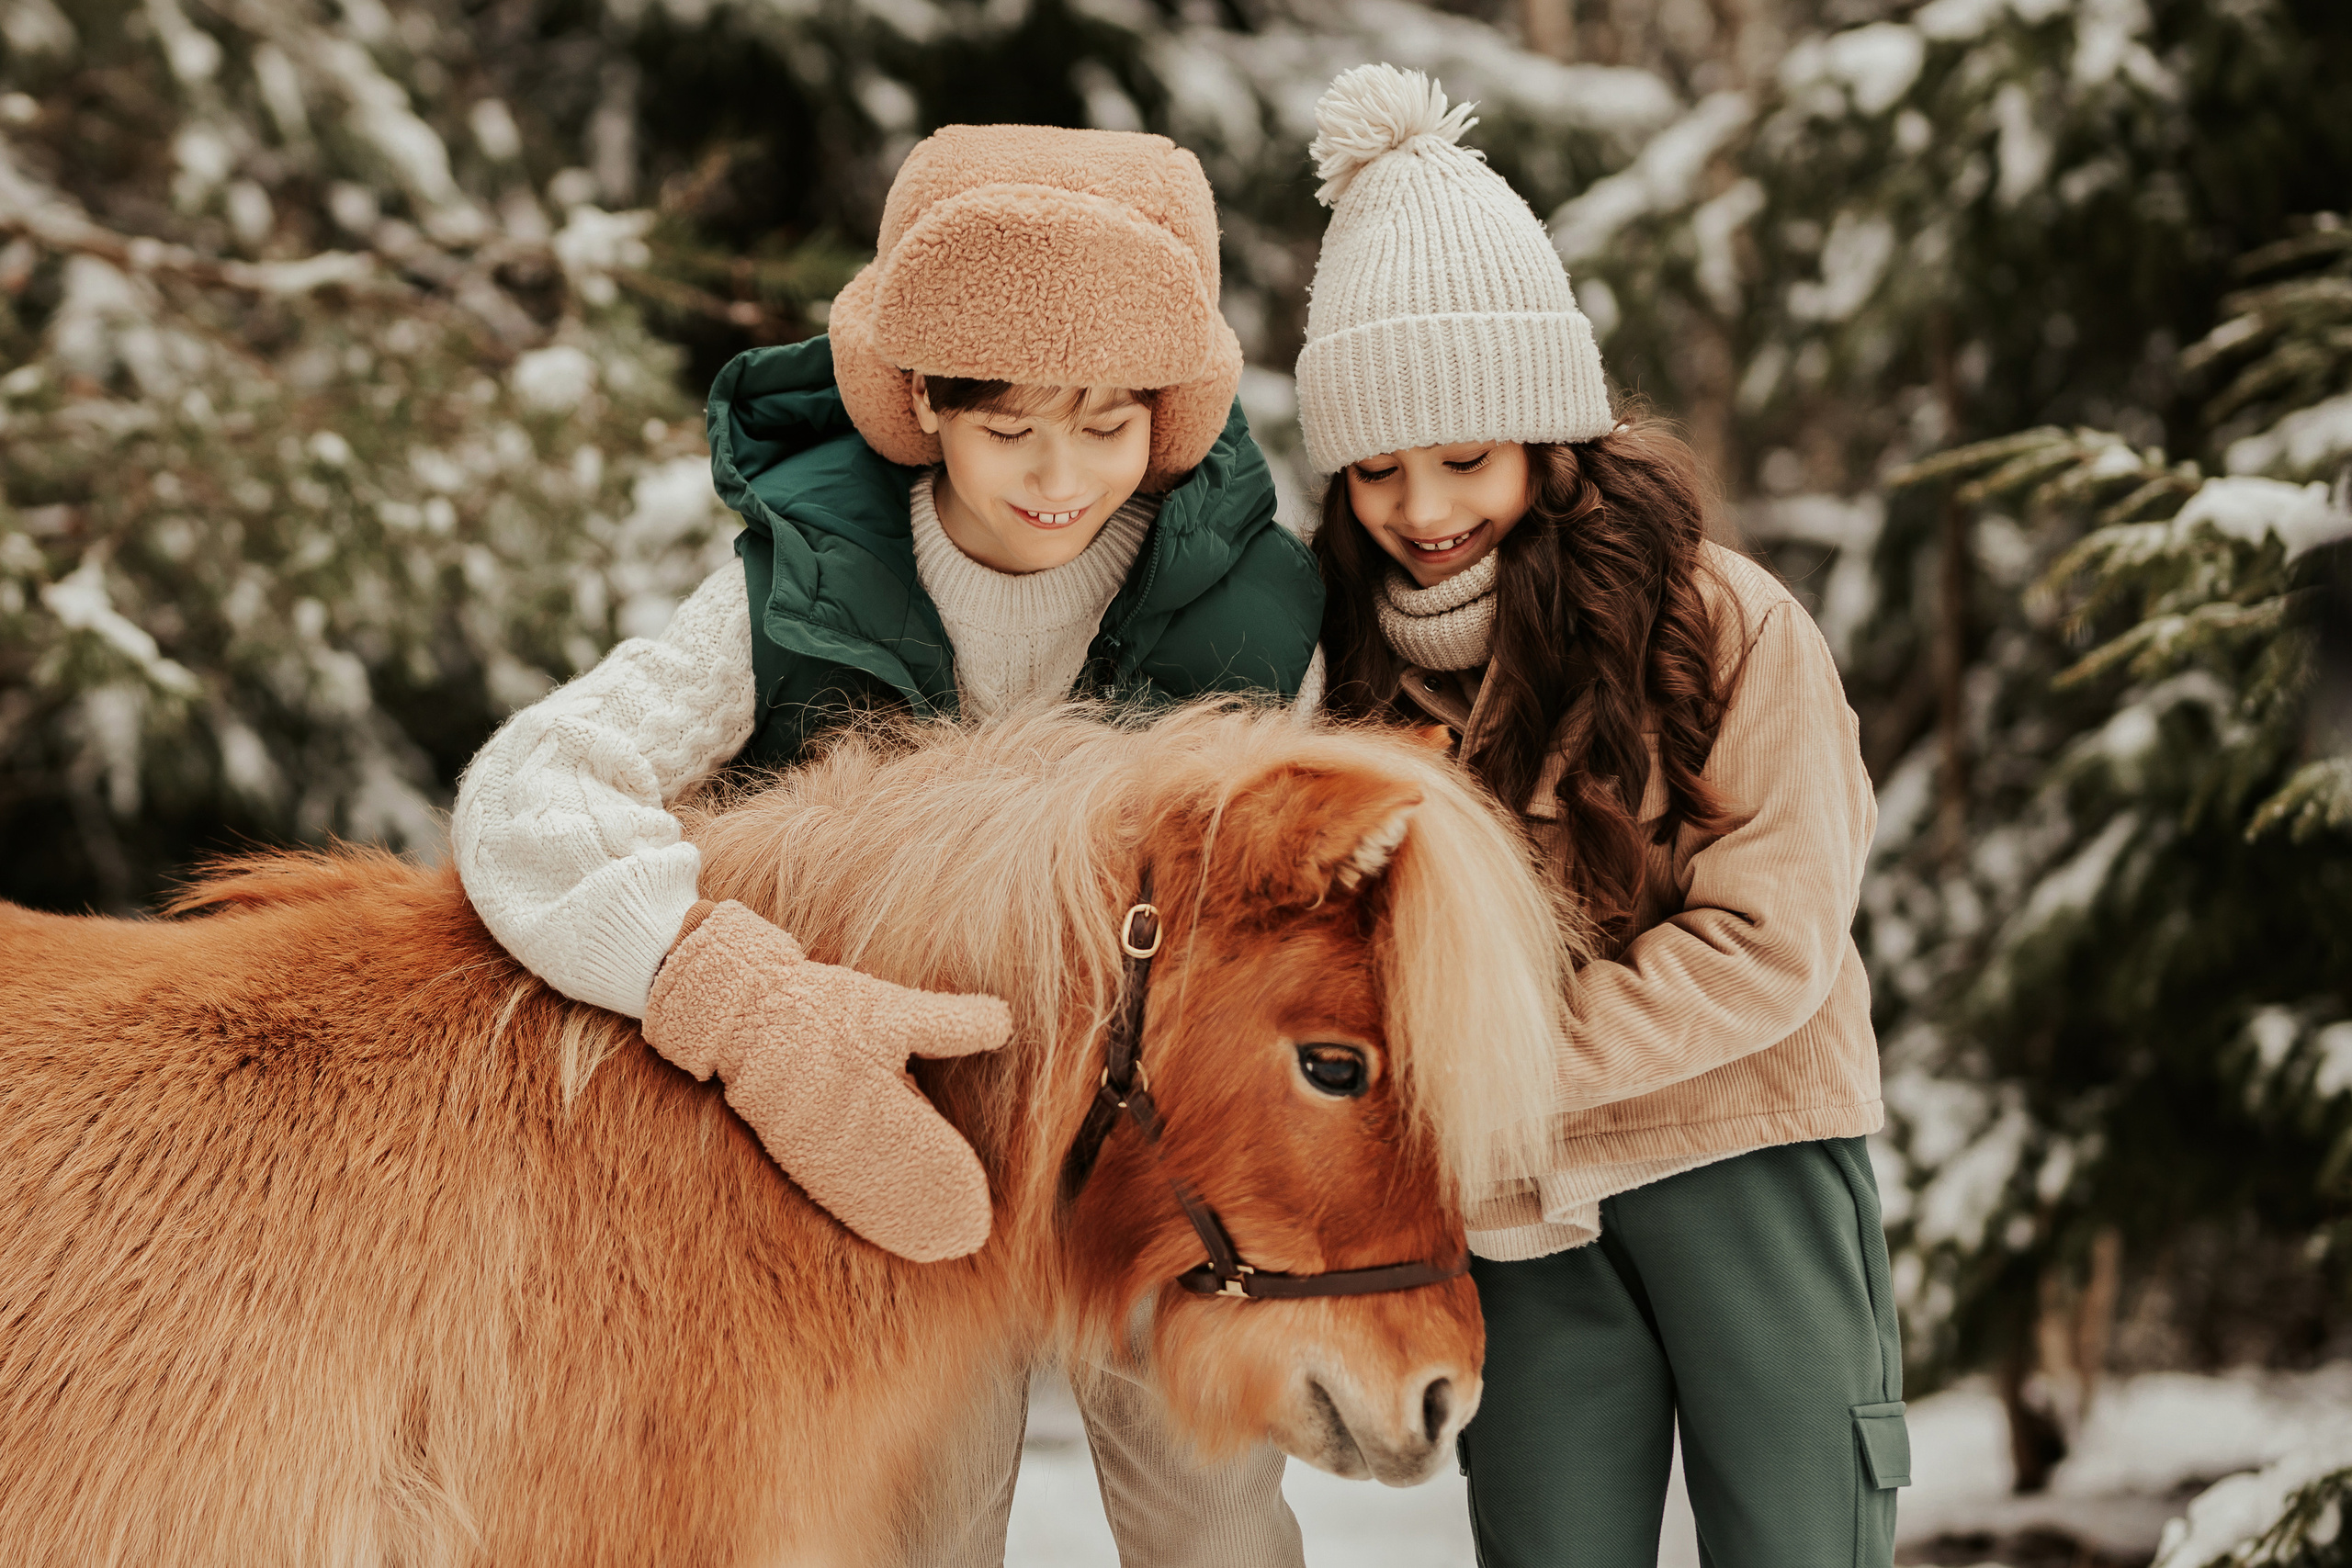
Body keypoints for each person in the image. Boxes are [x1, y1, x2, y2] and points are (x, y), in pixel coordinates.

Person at [454, 123, 1320, 1566]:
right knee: (913, 1533)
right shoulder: (797, 587)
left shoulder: (1260, 618)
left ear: (1170, 410)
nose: (1060, 476)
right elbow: (532, 793)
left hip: (1155, 1168)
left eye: (1109, 425)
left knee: (1214, 1525)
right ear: (922, 400)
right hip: (900, 1160)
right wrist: (731, 995)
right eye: (1008, 428)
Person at [1292, 63, 1907, 1567]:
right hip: (1519, 1216)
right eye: (1377, 467)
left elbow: (1772, 939)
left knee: (1802, 1539)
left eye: (1464, 460)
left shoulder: (1725, 627)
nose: (1421, 509)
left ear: (1551, 438)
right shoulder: (1342, 674)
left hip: (1741, 1153)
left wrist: (1500, 1067)